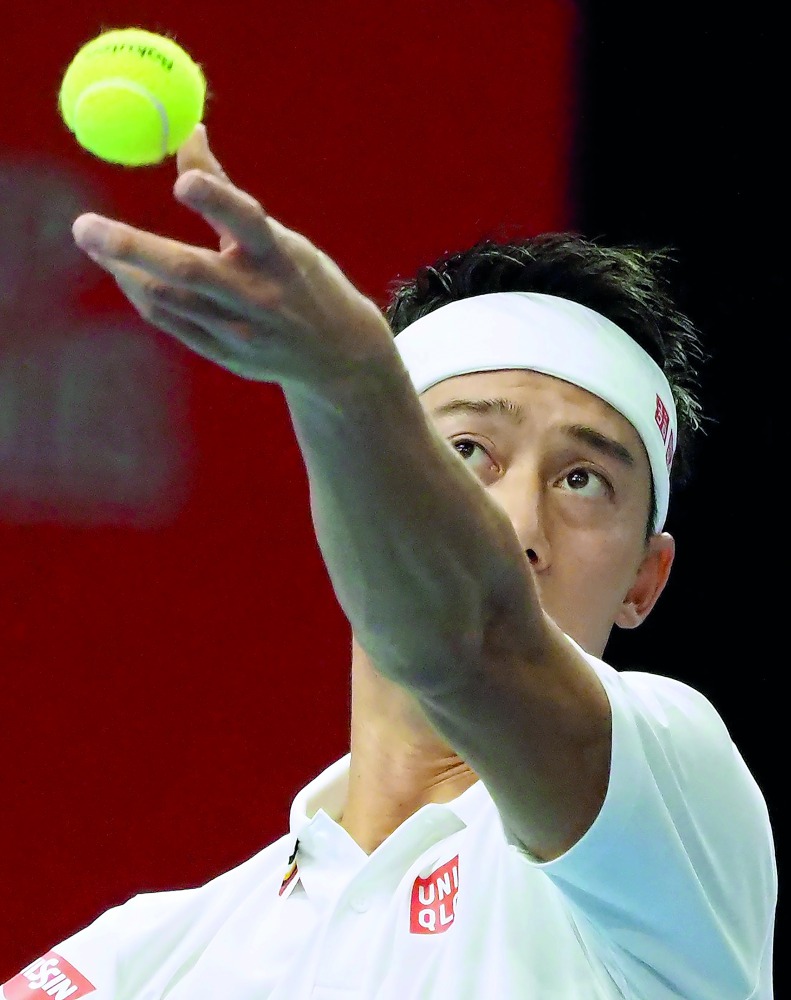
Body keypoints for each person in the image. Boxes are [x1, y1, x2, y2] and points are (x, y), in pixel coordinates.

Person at [5, 125, 776, 999]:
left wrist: (345, 382)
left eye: (581, 478)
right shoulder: (138, 963)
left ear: (645, 579)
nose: (518, 524)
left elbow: (472, 637)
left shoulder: (678, 809)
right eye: (466, 455)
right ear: (360, 502)